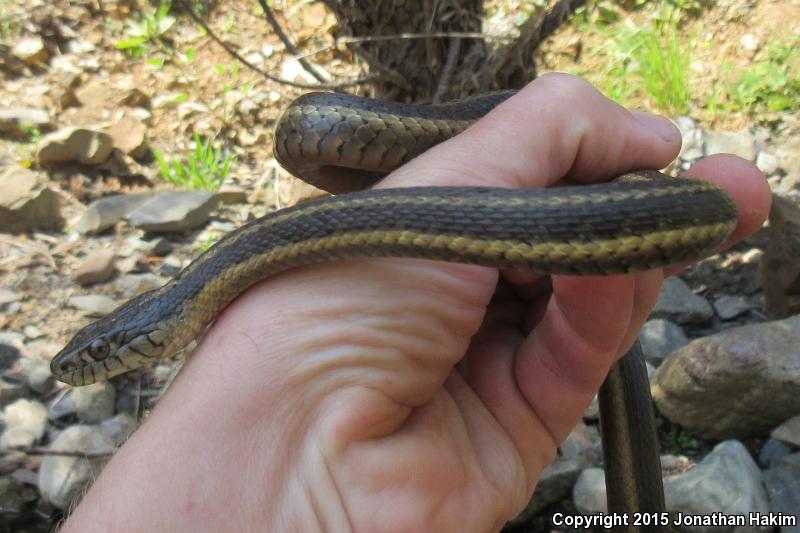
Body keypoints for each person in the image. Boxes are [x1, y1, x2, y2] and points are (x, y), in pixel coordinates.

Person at [60, 74, 770, 532]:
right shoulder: (232, 268)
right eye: (95, 357)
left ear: (141, 335)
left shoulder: (234, 265)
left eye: (97, 355)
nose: (88, 368)